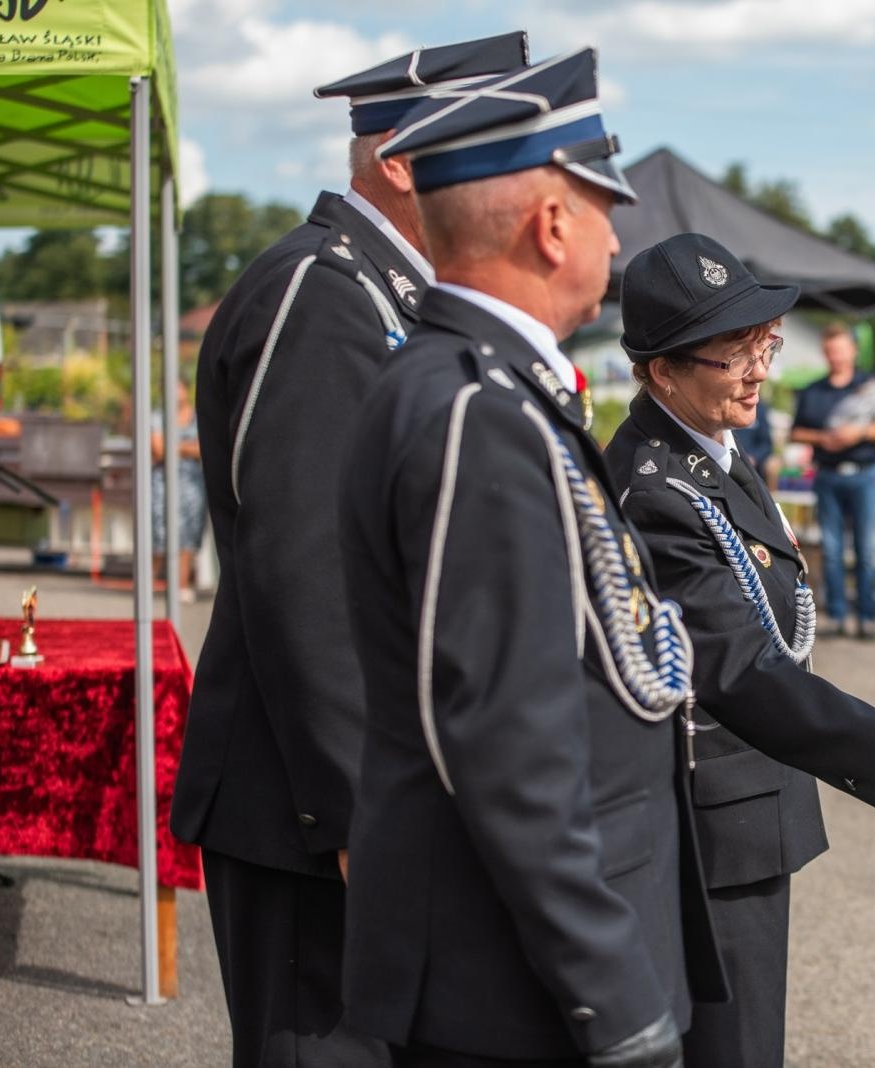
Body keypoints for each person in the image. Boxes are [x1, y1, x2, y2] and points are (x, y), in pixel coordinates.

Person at [339, 52, 726, 1067]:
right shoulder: (477, 409)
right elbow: (506, 743)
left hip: (522, 970)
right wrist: (614, 997)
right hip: (517, 989)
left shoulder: (485, 391)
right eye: (604, 208)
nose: (615, 236)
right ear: (552, 225)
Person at [167, 32, 529, 1067]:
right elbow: (307, 568)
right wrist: (359, 814)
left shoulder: (392, 293)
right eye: (494, 151)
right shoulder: (323, 291)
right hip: (308, 804)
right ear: (404, 163)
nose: (520, 184)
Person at [607, 232, 875, 1068]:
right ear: (662, 372)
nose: (759, 372)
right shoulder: (656, 489)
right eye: (734, 355)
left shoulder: (710, 448)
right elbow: (740, 665)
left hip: (746, 802)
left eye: (766, 346)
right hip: (710, 819)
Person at [789, 323, 875, 639]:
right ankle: (837, 616)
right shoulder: (813, 390)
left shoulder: (870, 387)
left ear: (853, 351)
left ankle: (867, 617)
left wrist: (859, 434)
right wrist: (823, 439)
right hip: (828, 475)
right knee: (832, 550)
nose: (836, 356)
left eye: (840, 349)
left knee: (866, 550)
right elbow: (796, 432)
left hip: (863, 474)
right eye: (830, 350)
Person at [150, 378, 206, 603]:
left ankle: (181, 585)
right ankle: (149, 583)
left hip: (191, 482)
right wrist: (187, 446)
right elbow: (158, 449)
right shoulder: (157, 416)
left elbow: (204, 448)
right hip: (162, 481)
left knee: (188, 533)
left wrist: (174, 446)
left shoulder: (198, 416)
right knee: (159, 531)